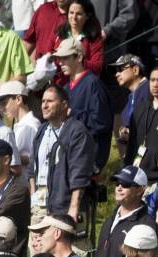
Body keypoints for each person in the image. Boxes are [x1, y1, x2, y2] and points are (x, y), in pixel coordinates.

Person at [29, 85, 95, 221]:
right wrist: (32, 196)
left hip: (63, 208)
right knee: (36, 243)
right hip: (39, 206)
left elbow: (79, 173)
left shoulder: (77, 132)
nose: (44, 106)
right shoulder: (41, 130)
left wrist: (74, 206)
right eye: (43, 101)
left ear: (64, 104)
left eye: (50, 101)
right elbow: (32, 169)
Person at [53, 37, 112, 172]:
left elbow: (101, 122)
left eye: (65, 58)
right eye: (59, 59)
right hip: (70, 156)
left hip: (89, 158)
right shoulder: (66, 88)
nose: (60, 63)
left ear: (79, 57)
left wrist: (71, 115)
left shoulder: (93, 84)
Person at [95, 165, 158, 257]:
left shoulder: (146, 225)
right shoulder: (110, 219)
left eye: (125, 184)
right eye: (117, 183)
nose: (119, 187)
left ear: (140, 190)